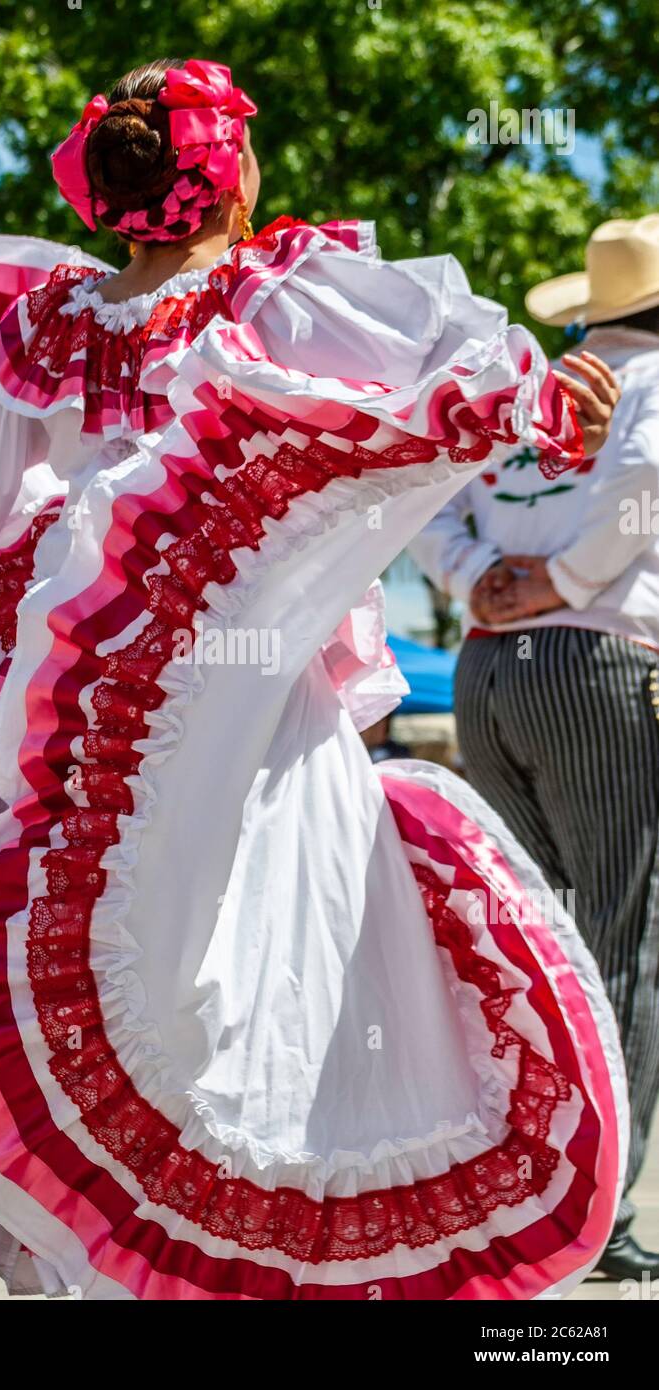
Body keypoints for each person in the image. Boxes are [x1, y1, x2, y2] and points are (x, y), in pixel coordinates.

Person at [0, 57, 629, 1300]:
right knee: (274, 942)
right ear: (228, 172)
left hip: (83, 696)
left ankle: (110, 1255)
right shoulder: (275, 286)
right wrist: (546, 401)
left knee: (106, 938)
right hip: (245, 684)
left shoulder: (54, 320)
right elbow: (447, 368)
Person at [410, 214, 659, 1280]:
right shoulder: (649, 387)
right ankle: (591, 1208)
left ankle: (516, 1183)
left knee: (532, 937)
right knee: (625, 933)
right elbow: (639, 494)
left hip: (485, 673)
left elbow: (424, 493)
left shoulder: (529, 392)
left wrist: (479, 583)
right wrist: (557, 585)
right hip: (596, 666)